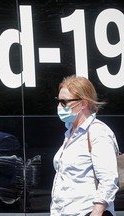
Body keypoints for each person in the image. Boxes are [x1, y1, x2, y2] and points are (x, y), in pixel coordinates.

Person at [51, 75, 119, 216]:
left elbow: (109, 180)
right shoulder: (70, 132)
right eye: (58, 101)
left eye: (64, 102)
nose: (59, 107)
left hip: (85, 212)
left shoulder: (97, 132)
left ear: (83, 103)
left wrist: (97, 212)